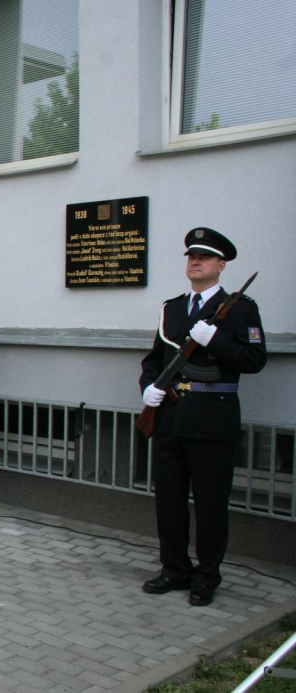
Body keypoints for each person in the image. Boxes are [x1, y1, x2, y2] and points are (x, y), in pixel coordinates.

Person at [139, 227, 266, 607]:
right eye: (191, 256)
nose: (195, 261)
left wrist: (218, 341)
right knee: (170, 501)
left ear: (221, 265)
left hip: (212, 420)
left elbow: (255, 361)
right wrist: (148, 387)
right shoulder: (172, 308)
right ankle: (174, 569)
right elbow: (155, 361)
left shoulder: (241, 309)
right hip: (170, 418)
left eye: (205, 257)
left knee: (210, 504)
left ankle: (206, 576)